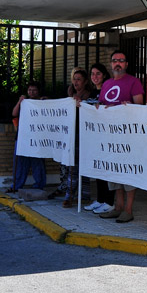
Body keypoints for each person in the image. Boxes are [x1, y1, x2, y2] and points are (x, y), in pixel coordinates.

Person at [97, 50, 144, 223]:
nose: (117, 63)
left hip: (128, 136)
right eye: (115, 60)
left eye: (121, 61)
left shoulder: (134, 81)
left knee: (128, 173)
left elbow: (139, 107)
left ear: (126, 64)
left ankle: (128, 210)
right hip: (111, 136)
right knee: (114, 172)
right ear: (111, 63)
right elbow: (102, 105)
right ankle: (117, 207)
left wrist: (130, 106)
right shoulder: (107, 83)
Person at [82, 63, 115, 214]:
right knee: (98, 170)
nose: (95, 77)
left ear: (104, 75)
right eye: (92, 74)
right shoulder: (91, 93)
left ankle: (109, 201)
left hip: (108, 137)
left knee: (108, 171)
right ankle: (100, 199)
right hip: (95, 138)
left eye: (98, 74)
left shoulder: (108, 92)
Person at [61, 68, 92, 208]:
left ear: (85, 82)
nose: (76, 82)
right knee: (71, 166)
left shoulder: (88, 96)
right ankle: (70, 194)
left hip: (84, 135)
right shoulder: (69, 94)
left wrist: (82, 104)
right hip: (70, 134)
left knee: (81, 166)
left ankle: (82, 195)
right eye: (74, 79)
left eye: (79, 79)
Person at [8, 81, 47, 193]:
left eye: (34, 90)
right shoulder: (24, 102)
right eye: (30, 90)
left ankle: (39, 185)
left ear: (38, 91)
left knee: (37, 162)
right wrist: (20, 102)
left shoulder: (42, 102)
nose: (32, 92)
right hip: (23, 138)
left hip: (37, 138)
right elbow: (14, 114)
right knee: (20, 163)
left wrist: (45, 101)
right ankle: (16, 185)